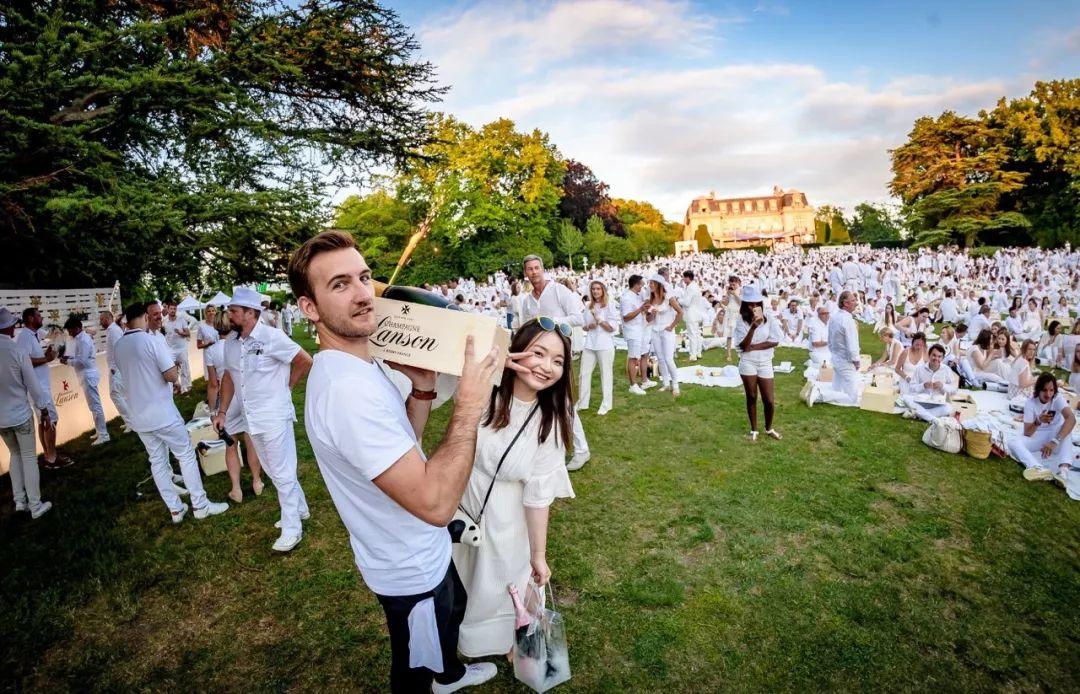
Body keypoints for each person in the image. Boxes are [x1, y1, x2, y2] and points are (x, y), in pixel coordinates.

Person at [288, 230, 501, 693]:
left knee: (452, 613)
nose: (364, 294)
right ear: (310, 308)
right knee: (413, 671)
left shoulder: (360, 368)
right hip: (407, 565)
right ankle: (435, 680)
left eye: (364, 277)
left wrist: (423, 389)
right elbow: (435, 502)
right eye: (340, 285)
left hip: (420, 547)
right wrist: (468, 402)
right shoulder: (348, 391)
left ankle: (451, 674)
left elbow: (406, 443)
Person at [453, 318, 575, 657]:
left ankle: (507, 639)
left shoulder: (549, 420)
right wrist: (498, 362)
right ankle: (462, 640)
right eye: (538, 353)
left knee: (498, 584)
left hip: (507, 519)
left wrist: (538, 554)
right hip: (462, 503)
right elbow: (448, 335)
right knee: (463, 576)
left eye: (558, 361)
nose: (546, 367)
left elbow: (538, 495)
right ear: (517, 349)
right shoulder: (482, 387)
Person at [213, 287, 313, 553]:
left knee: (281, 470)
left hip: (274, 414)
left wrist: (287, 387)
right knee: (271, 468)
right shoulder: (231, 344)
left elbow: (304, 360)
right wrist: (221, 412)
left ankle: (293, 528)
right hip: (251, 417)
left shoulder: (272, 336)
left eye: (234, 311)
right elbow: (229, 380)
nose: (229, 315)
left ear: (250, 313)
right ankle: (300, 509)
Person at [114, 302, 229, 524]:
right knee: (185, 454)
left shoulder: (119, 345)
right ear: (145, 318)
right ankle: (200, 504)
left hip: (139, 414)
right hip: (161, 412)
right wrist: (175, 369)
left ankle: (175, 509)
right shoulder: (150, 340)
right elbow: (169, 375)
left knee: (157, 461)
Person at [518, 254, 590, 471]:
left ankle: (581, 449)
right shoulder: (527, 300)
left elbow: (579, 318)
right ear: (526, 273)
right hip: (536, 360)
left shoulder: (559, 291)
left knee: (564, 401)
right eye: (529, 269)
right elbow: (525, 328)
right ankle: (542, 450)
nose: (534, 272)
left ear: (543, 269)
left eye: (537, 268)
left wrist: (552, 323)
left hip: (559, 356)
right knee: (538, 402)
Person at [205, 311, 265, 503]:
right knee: (251, 441)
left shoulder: (211, 351)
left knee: (230, 445)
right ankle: (257, 481)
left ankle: (236, 489)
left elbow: (214, 384)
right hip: (245, 396)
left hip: (227, 400)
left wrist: (214, 410)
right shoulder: (241, 343)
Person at [0, 307, 54, 518]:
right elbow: (32, 384)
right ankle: (35, 504)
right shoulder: (16, 351)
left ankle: (20, 501)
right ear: (9, 328)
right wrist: (44, 410)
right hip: (20, 414)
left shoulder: (15, 349)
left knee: (15, 455)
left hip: (2, 419)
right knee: (29, 457)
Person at [17, 308, 71, 469]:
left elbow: (52, 335)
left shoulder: (33, 334)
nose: (42, 318)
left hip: (39, 386)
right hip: (37, 388)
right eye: (38, 315)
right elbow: (24, 361)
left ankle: (49, 455)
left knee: (43, 421)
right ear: (30, 318)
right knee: (51, 419)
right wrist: (46, 358)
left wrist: (48, 353)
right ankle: (52, 458)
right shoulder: (25, 336)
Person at [734, 284, 782, 440]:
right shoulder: (741, 321)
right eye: (750, 303)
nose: (754, 306)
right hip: (747, 362)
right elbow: (743, 347)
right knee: (752, 396)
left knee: (769, 399)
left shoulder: (769, 317)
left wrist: (754, 346)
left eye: (756, 303)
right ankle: (754, 429)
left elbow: (775, 340)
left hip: (765, 361)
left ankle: (769, 428)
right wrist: (753, 328)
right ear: (745, 304)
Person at [1009, 372, 1076, 482]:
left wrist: (1054, 442)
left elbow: (1072, 419)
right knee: (1013, 442)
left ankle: (1063, 471)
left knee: (1067, 429)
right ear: (1038, 390)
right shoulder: (1030, 402)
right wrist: (1038, 421)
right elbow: (1027, 433)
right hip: (1038, 436)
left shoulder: (1057, 398)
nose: (1048, 394)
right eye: (1044, 390)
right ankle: (1037, 467)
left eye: (1051, 390)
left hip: (1055, 435)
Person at [59, 315, 110, 445]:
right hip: (85, 375)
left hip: (88, 374)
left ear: (77, 328)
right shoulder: (78, 339)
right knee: (93, 405)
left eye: (70, 330)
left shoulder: (83, 340)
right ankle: (100, 431)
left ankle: (104, 434)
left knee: (95, 405)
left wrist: (67, 361)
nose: (69, 333)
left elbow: (82, 361)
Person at [808, 290, 862, 407]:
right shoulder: (847, 320)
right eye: (853, 301)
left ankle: (821, 392)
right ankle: (819, 394)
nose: (856, 303)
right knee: (853, 398)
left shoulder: (834, 317)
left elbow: (830, 338)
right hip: (846, 360)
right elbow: (852, 343)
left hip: (836, 357)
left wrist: (833, 353)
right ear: (845, 303)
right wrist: (856, 360)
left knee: (838, 390)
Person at [577, 280, 618, 415]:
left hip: (605, 345)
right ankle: (583, 403)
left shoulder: (610, 305)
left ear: (603, 291)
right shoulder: (588, 305)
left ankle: (606, 404)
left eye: (598, 289)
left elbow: (612, 328)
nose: (595, 291)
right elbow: (583, 325)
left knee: (605, 374)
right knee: (584, 374)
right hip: (590, 344)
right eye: (593, 289)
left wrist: (600, 321)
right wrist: (589, 326)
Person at [646, 275, 683, 398]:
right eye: (649, 283)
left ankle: (675, 385)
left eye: (652, 283)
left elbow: (680, 312)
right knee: (660, 358)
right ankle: (666, 383)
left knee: (668, 359)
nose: (650, 285)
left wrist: (672, 326)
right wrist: (652, 313)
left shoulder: (668, 297)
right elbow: (648, 318)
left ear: (658, 284)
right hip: (655, 331)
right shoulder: (650, 299)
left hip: (667, 331)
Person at [901, 344, 958, 422]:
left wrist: (943, 386)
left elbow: (954, 389)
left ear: (943, 358)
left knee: (949, 408)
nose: (936, 358)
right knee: (905, 398)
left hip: (938, 403)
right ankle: (933, 419)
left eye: (939, 356)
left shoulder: (946, 370)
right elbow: (911, 387)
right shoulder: (920, 369)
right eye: (934, 355)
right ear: (929, 355)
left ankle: (918, 414)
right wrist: (923, 385)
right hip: (921, 402)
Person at [100, 309, 132, 434]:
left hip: (116, 368)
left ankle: (130, 422)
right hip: (115, 368)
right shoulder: (112, 330)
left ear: (108, 319)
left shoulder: (113, 331)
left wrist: (115, 368)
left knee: (116, 395)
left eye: (101, 319)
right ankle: (130, 421)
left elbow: (120, 348)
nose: (100, 322)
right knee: (121, 395)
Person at [620, 275, 649, 396]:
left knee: (642, 354)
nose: (642, 287)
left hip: (640, 330)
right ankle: (633, 385)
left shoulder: (637, 295)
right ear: (636, 284)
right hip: (632, 331)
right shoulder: (626, 298)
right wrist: (640, 309)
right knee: (633, 358)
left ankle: (643, 381)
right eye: (641, 284)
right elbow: (626, 317)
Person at [162, 300, 193, 394]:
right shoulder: (164, 321)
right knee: (171, 369)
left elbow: (188, 333)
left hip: (182, 348)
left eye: (174, 309)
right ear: (167, 309)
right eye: (171, 308)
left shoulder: (181, 319)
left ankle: (185, 388)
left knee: (184, 369)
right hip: (170, 350)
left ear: (176, 309)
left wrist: (181, 333)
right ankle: (175, 387)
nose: (173, 310)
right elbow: (162, 334)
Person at [678, 270, 705, 361]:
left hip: (691, 314)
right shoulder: (695, 286)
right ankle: (698, 352)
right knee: (696, 334)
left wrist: (678, 300)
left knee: (692, 335)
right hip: (696, 313)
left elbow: (686, 302)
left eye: (684, 277)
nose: (683, 279)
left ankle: (693, 355)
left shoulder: (690, 287)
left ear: (688, 277)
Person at [724, 275, 741, 362]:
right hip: (730, 314)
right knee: (729, 335)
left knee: (739, 335)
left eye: (734, 284)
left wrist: (734, 294)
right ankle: (728, 354)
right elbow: (725, 303)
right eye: (731, 284)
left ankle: (740, 353)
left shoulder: (741, 290)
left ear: (738, 283)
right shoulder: (729, 291)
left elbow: (741, 303)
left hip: (738, 314)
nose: (732, 286)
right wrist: (727, 294)